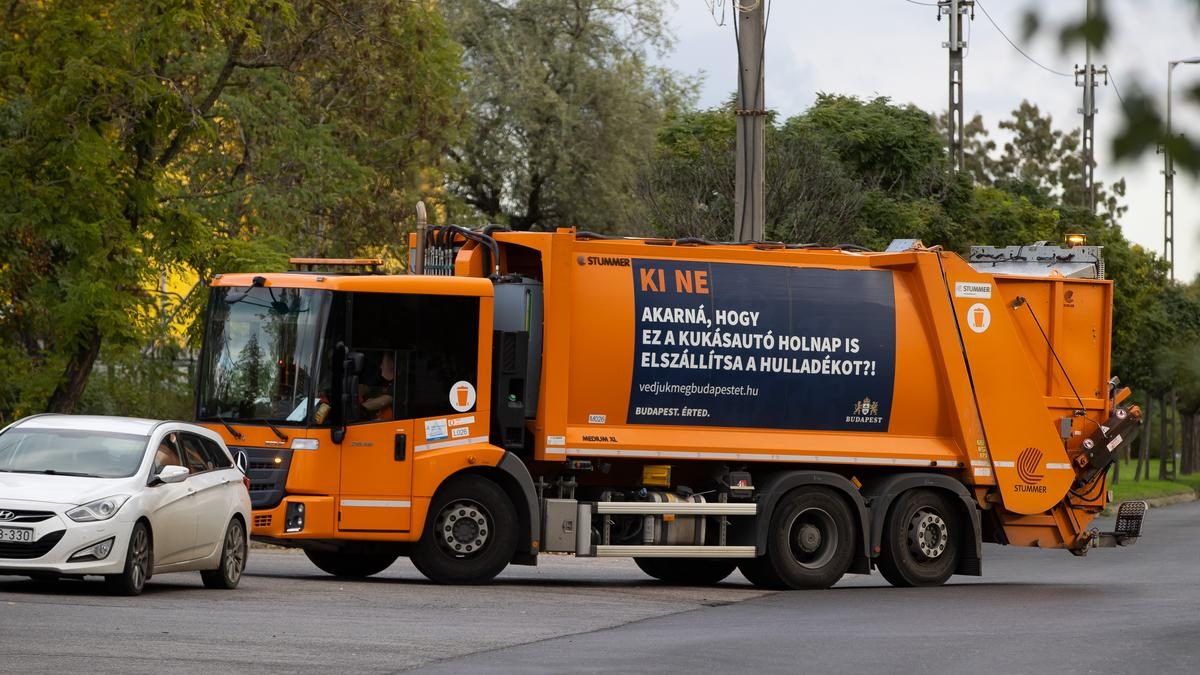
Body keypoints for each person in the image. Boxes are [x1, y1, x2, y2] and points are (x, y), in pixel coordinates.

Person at [359, 351, 395, 421]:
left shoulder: (397, 385)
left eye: (384, 362)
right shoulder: (378, 380)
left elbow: (387, 399)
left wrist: (360, 409)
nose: (380, 366)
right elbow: (365, 388)